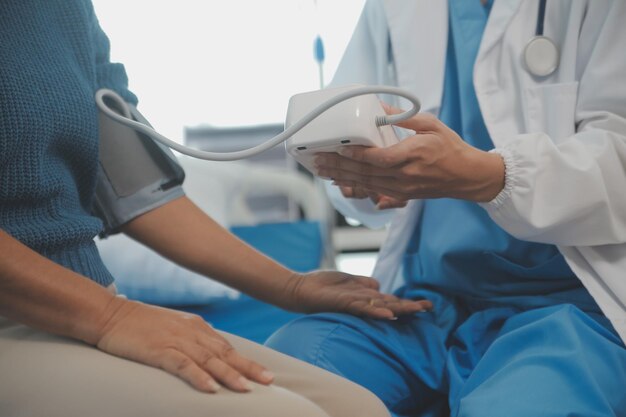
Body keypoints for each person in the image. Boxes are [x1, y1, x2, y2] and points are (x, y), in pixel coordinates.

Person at [0, 2, 434, 416]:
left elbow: (135, 191)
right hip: (30, 314)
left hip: (82, 304)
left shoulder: (67, 11)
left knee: (359, 408)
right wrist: (111, 318)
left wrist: (291, 287)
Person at [266, 1, 626, 416]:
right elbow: (343, 109)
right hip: (425, 303)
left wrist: (491, 176)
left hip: (576, 302)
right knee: (285, 379)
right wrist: (361, 180)